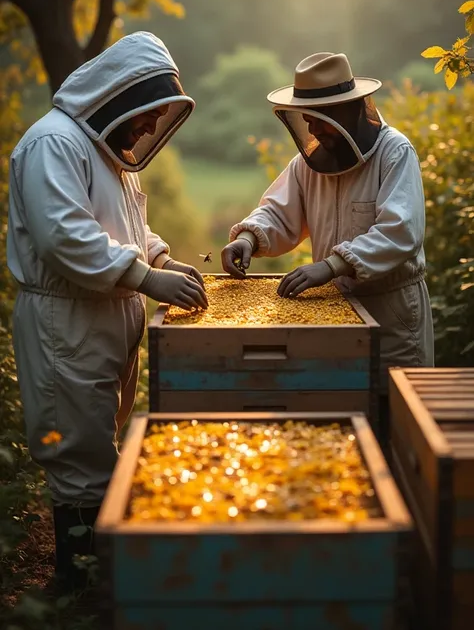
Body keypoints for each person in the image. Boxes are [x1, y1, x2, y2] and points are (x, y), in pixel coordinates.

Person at [7, 31, 207, 591]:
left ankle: (100, 570)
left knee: (100, 434)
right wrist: (146, 278)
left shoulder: (108, 153)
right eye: (145, 115)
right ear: (120, 96)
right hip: (65, 319)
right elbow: (65, 238)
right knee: (77, 451)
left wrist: (161, 256)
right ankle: (75, 583)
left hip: (105, 316)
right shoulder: (54, 143)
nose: (146, 129)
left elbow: (126, 230)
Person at [221, 51, 434, 440]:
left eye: (320, 120)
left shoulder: (395, 152)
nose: (313, 129)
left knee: (399, 429)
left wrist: (332, 265)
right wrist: (249, 237)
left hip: (391, 315)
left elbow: (400, 233)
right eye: (307, 120)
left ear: (348, 112)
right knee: (342, 418)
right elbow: (279, 213)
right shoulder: (309, 164)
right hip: (336, 315)